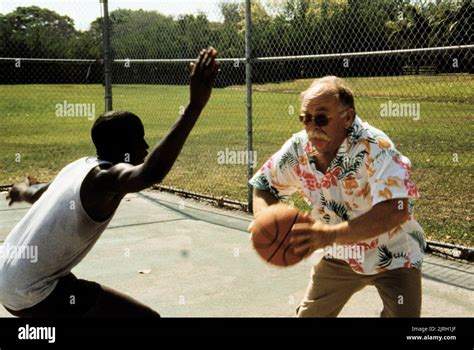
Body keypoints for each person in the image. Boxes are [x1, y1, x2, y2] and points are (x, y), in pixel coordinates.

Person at [1, 47, 220, 318]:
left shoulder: (78, 167)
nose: (145, 146)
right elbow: (149, 174)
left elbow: (40, 192)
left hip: (11, 279)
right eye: (139, 139)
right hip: (32, 293)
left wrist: (22, 190)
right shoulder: (105, 179)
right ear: (119, 148)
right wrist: (194, 106)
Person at [249, 76, 426, 317]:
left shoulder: (376, 146)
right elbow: (263, 185)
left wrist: (327, 235)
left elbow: (396, 209)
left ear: (348, 117)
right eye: (306, 118)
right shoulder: (298, 149)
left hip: (393, 255)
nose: (312, 126)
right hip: (340, 254)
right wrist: (265, 218)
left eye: (321, 118)